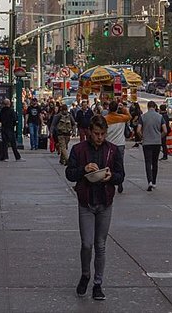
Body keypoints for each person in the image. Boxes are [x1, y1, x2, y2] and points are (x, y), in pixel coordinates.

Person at [65, 114, 125, 300]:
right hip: (86, 201)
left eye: (102, 133)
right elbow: (70, 174)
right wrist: (84, 169)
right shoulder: (78, 149)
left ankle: (98, 283)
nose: (100, 137)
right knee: (86, 244)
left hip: (105, 201)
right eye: (96, 133)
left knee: (100, 245)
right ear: (89, 132)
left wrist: (111, 177)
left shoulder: (113, 150)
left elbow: (120, 175)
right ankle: (85, 274)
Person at [140, 101, 167, 191]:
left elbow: (138, 130)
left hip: (146, 142)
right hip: (157, 142)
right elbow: (165, 130)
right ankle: (154, 182)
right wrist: (159, 136)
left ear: (147, 107)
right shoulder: (160, 117)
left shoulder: (143, 116)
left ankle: (149, 181)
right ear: (155, 107)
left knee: (148, 162)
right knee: (155, 162)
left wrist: (142, 137)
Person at [105, 101, 129, 194]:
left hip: (109, 143)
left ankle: (109, 179)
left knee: (108, 163)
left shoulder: (105, 119)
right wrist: (123, 108)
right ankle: (120, 180)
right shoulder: (122, 118)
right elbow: (129, 116)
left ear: (109, 108)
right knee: (120, 163)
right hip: (120, 144)